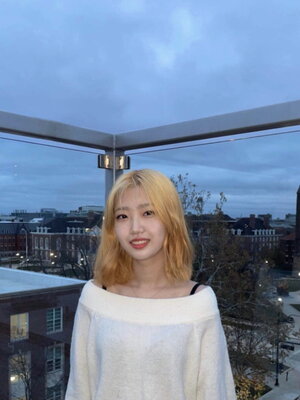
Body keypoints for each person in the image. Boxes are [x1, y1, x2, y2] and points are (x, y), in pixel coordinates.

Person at [65, 169, 236, 400]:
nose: (135, 228)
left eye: (148, 212)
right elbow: (79, 388)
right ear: (113, 229)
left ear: (170, 220)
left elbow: (214, 392)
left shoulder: (198, 303)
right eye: (122, 216)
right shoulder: (95, 296)